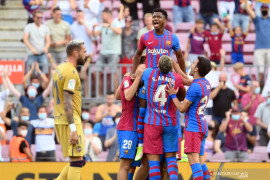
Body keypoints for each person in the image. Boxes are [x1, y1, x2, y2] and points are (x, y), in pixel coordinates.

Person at [138, 55, 185, 180]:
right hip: (170, 123)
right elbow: (182, 96)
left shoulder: (148, 73)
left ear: (158, 65)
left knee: (153, 161)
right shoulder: (176, 78)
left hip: (152, 123)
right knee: (171, 159)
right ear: (171, 68)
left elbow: (138, 77)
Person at [166, 56, 212, 180]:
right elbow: (186, 78)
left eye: (193, 64)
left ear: (196, 69)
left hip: (193, 127)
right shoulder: (205, 83)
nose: (190, 65)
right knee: (201, 161)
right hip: (202, 125)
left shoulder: (194, 87)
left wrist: (172, 95)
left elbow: (181, 108)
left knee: (193, 160)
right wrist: (176, 66)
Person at [53, 40, 87, 180]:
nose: (86, 55)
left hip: (60, 119)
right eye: (84, 52)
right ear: (75, 53)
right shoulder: (71, 72)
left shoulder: (60, 68)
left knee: (79, 159)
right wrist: (73, 127)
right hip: (70, 121)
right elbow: (67, 100)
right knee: (77, 161)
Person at [133, 8, 187, 80]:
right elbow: (137, 54)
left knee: (181, 90)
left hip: (166, 76)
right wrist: (133, 72)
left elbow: (180, 57)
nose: (155, 19)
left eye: (159, 17)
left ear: (165, 20)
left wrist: (183, 76)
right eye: (154, 17)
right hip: (149, 75)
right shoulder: (145, 36)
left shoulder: (172, 37)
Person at [115, 61, 146, 179]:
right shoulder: (130, 79)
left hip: (139, 128)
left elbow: (118, 96)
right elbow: (124, 96)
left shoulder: (144, 81)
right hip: (128, 127)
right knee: (125, 165)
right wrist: (135, 77)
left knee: (133, 166)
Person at [93, 8, 123, 94]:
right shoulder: (102, 25)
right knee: (96, 73)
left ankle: (115, 96)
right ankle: (99, 95)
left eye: (102, 15)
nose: (101, 17)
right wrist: (93, 28)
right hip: (103, 52)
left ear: (108, 15)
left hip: (114, 52)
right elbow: (95, 35)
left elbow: (119, 31)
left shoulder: (116, 22)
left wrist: (109, 26)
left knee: (114, 74)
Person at [246, 1, 270, 87]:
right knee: (260, 71)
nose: (264, 9)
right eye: (263, 8)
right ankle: (259, 89)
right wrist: (246, 2)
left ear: (268, 9)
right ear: (260, 9)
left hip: (269, 49)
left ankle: (267, 89)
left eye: (266, 8)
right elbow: (249, 11)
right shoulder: (258, 20)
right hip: (259, 49)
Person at [23, 10, 50, 74]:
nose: (40, 19)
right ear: (34, 18)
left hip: (42, 53)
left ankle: (43, 84)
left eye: (41, 17)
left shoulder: (45, 27)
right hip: (32, 53)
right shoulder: (29, 27)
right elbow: (25, 39)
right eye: (38, 17)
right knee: (30, 72)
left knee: (44, 72)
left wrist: (46, 48)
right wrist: (32, 49)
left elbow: (48, 40)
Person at [0, 74, 9, 145]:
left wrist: (4, 78)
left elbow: (6, 92)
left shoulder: (0, 95)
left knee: (2, 145)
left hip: (0, 124)